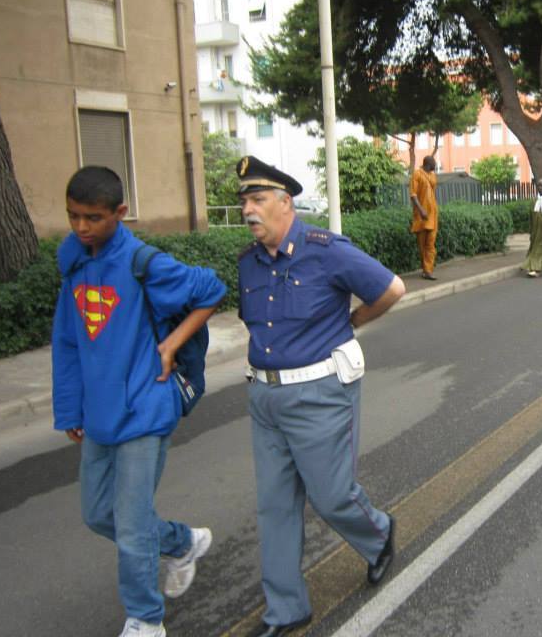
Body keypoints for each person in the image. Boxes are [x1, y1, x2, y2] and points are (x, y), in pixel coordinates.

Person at [52, 166, 226, 637]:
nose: (82, 227)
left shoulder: (143, 262)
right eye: (73, 217)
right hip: (98, 414)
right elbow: (68, 340)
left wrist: (171, 346)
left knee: (130, 528)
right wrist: (69, 408)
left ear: (120, 214)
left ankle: (146, 620)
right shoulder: (74, 263)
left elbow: (211, 289)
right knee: (97, 514)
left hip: (144, 409)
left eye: (92, 217)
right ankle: (181, 541)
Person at [236, 156, 406, 636]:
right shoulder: (248, 262)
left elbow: (392, 288)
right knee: (275, 505)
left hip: (320, 393)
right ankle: (285, 610)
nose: (248, 209)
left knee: (332, 496)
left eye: (258, 199)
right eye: (244, 200)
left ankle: (378, 536)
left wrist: (352, 322)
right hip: (265, 398)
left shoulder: (325, 250)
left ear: (286, 203)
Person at [410, 155, 439, 279]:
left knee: (431, 244)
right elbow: (413, 195)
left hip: (432, 214)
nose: (436, 166)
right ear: (428, 164)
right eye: (434, 163)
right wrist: (421, 209)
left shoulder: (433, 175)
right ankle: (425, 269)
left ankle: (428, 270)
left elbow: (432, 192)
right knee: (422, 245)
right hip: (421, 216)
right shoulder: (417, 174)